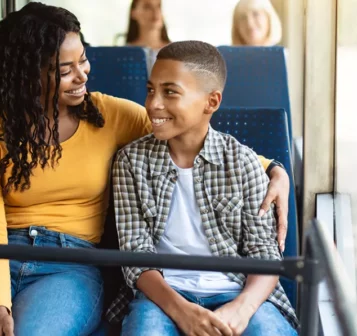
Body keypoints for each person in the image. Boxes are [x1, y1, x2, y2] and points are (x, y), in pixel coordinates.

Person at [0, 3, 292, 335]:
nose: (82, 75)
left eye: (83, 60)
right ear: (27, 75)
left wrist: (273, 168)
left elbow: (190, 135)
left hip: (70, 261)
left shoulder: (109, 115)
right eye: (65, 70)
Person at [110, 40, 297, 336]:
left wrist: (243, 308)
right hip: (163, 297)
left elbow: (265, 254)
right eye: (150, 90)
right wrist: (182, 312)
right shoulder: (131, 162)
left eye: (170, 92)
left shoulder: (243, 163)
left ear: (211, 102)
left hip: (236, 290)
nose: (153, 103)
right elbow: (136, 256)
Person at [125, 0, 171, 75]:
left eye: (158, 6)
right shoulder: (123, 55)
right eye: (147, 7)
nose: (155, 11)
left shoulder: (177, 53)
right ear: (133, 13)